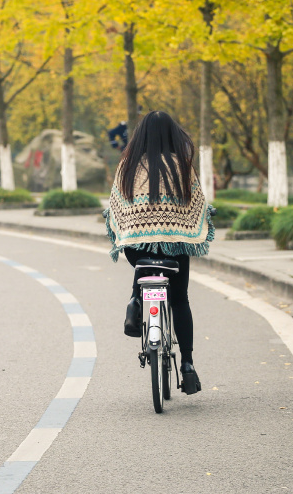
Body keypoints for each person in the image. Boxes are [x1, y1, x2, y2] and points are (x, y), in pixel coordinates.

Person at [103, 110, 214, 395]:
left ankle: (135, 302)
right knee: (179, 299)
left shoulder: (127, 165)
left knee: (143, 262)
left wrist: (127, 232)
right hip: (174, 245)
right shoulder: (182, 165)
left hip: (136, 247)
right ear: (172, 134)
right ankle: (187, 365)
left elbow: (116, 206)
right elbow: (198, 205)